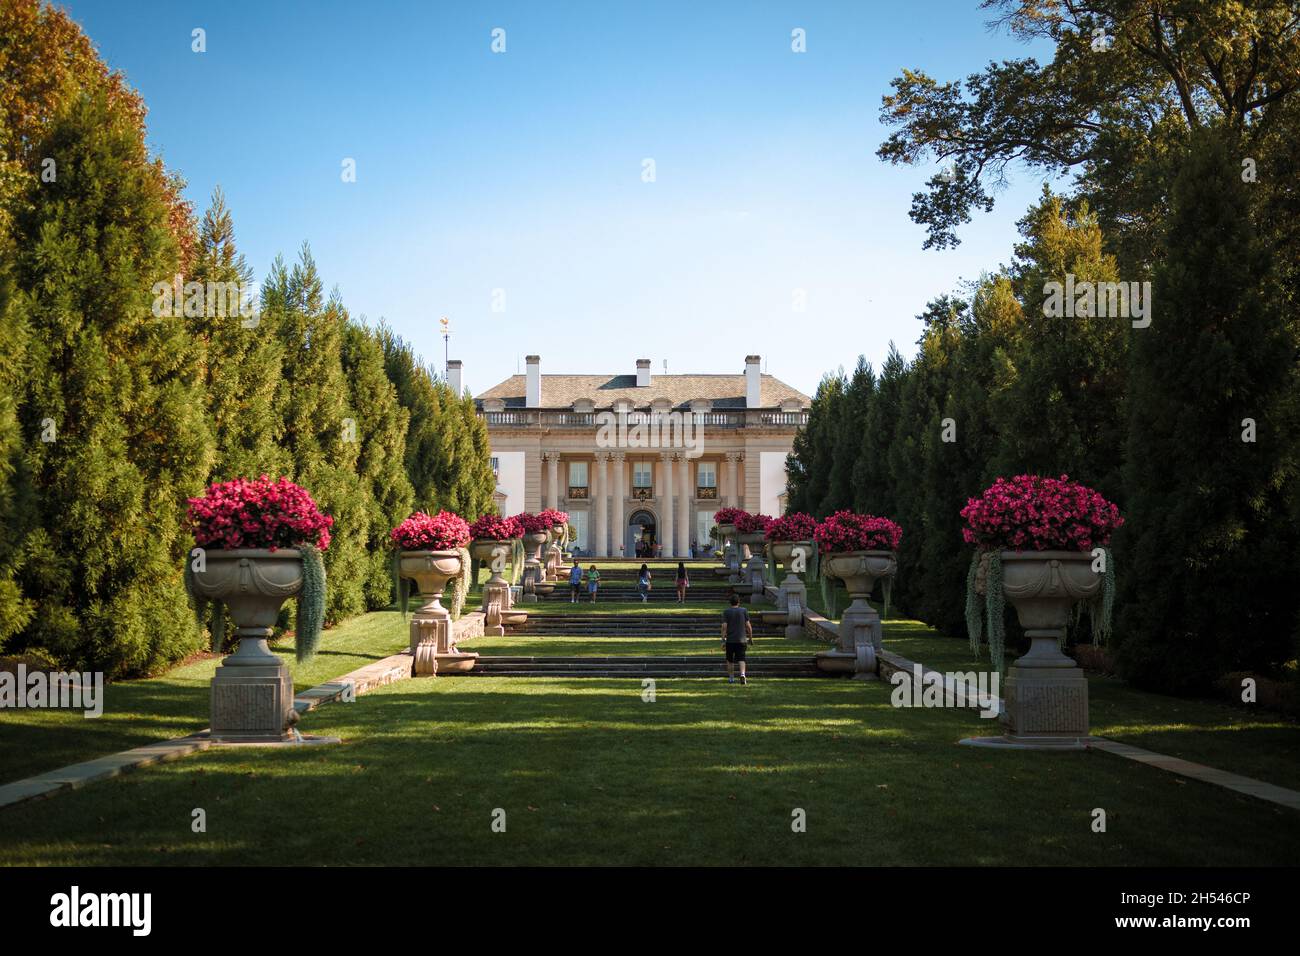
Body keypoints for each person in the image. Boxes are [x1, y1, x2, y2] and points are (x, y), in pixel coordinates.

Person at [721, 594, 753, 684]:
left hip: (730, 640)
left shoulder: (726, 612)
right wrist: (750, 638)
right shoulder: (743, 611)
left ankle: (731, 678)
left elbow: (724, 627)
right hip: (742, 639)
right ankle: (742, 674)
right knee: (742, 658)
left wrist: (723, 640)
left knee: (730, 660)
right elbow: (748, 626)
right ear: (738, 602)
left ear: (730, 602)